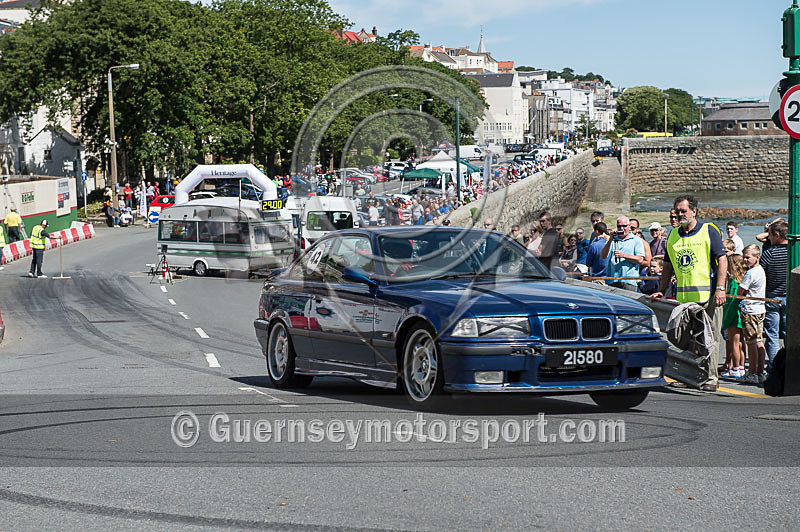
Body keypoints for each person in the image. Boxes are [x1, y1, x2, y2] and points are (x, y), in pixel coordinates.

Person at [650, 195, 727, 392]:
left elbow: (722, 260)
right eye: (677, 211)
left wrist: (720, 288)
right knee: (686, 338)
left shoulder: (709, 231)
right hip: (684, 299)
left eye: (683, 211)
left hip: (708, 296)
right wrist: (661, 290)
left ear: (694, 211)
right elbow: (667, 267)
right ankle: (689, 375)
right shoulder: (673, 235)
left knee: (710, 339)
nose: (680, 214)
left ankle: (710, 377)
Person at [737, 244, 767, 385]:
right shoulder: (760, 270)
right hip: (760, 309)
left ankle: (753, 372)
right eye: (744, 257)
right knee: (759, 340)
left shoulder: (750, 273)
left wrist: (743, 291)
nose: (745, 260)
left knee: (751, 342)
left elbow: (739, 291)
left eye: (748, 257)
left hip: (750, 310)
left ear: (757, 257)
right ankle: (760, 371)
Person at [760, 220, 788, 369]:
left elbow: (761, 274)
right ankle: (791, 364)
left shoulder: (769, 253)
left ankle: (774, 366)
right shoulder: (794, 252)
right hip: (789, 296)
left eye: (770, 235)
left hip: (772, 297)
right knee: (787, 332)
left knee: (772, 335)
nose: (768, 238)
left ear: (777, 235)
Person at [601, 215, 645, 291]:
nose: (622, 229)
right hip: (612, 281)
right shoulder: (613, 240)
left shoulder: (636, 240)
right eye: (619, 226)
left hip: (629, 282)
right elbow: (603, 256)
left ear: (629, 226)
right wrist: (610, 240)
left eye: (624, 226)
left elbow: (640, 259)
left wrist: (624, 255)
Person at [720, 254, 746, 379]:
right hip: (740, 316)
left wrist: (726, 320)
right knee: (741, 343)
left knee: (734, 343)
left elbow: (731, 303)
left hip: (733, 317)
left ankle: (735, 367)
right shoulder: (742, 279)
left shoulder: (733, 283)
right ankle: (741, 366)